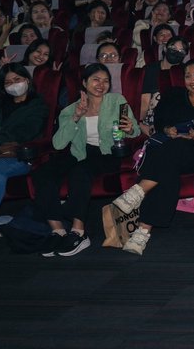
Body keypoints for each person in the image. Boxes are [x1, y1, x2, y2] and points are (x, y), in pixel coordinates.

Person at [101, 59, 194, 255]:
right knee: (167, 167)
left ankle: (138, 193)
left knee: (169, 155)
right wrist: (167, 129)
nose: (193, 80)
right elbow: (159, 120)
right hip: (164, 149)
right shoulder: (174, 95)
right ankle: (143, 231)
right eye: (188, 76)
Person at [32, 64, 138, 257]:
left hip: (107, 153)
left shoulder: (117, 101)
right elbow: (58, 144)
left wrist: (130, 129)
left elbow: (134, 131)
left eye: (106, 81)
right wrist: (75, 117)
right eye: (96, 79)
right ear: (84, 83)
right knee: (42, 172)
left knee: (80, 171)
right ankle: (57, 230)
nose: (101, 84)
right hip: (78, 152)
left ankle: (78, 232)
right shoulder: (71, 109)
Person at [0, 64, 49, 235]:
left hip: (18, 155)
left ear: (27, 80)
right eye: (8, 82)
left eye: (17, 79)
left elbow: (26, 131)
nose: (13, 84)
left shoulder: (37, 105)